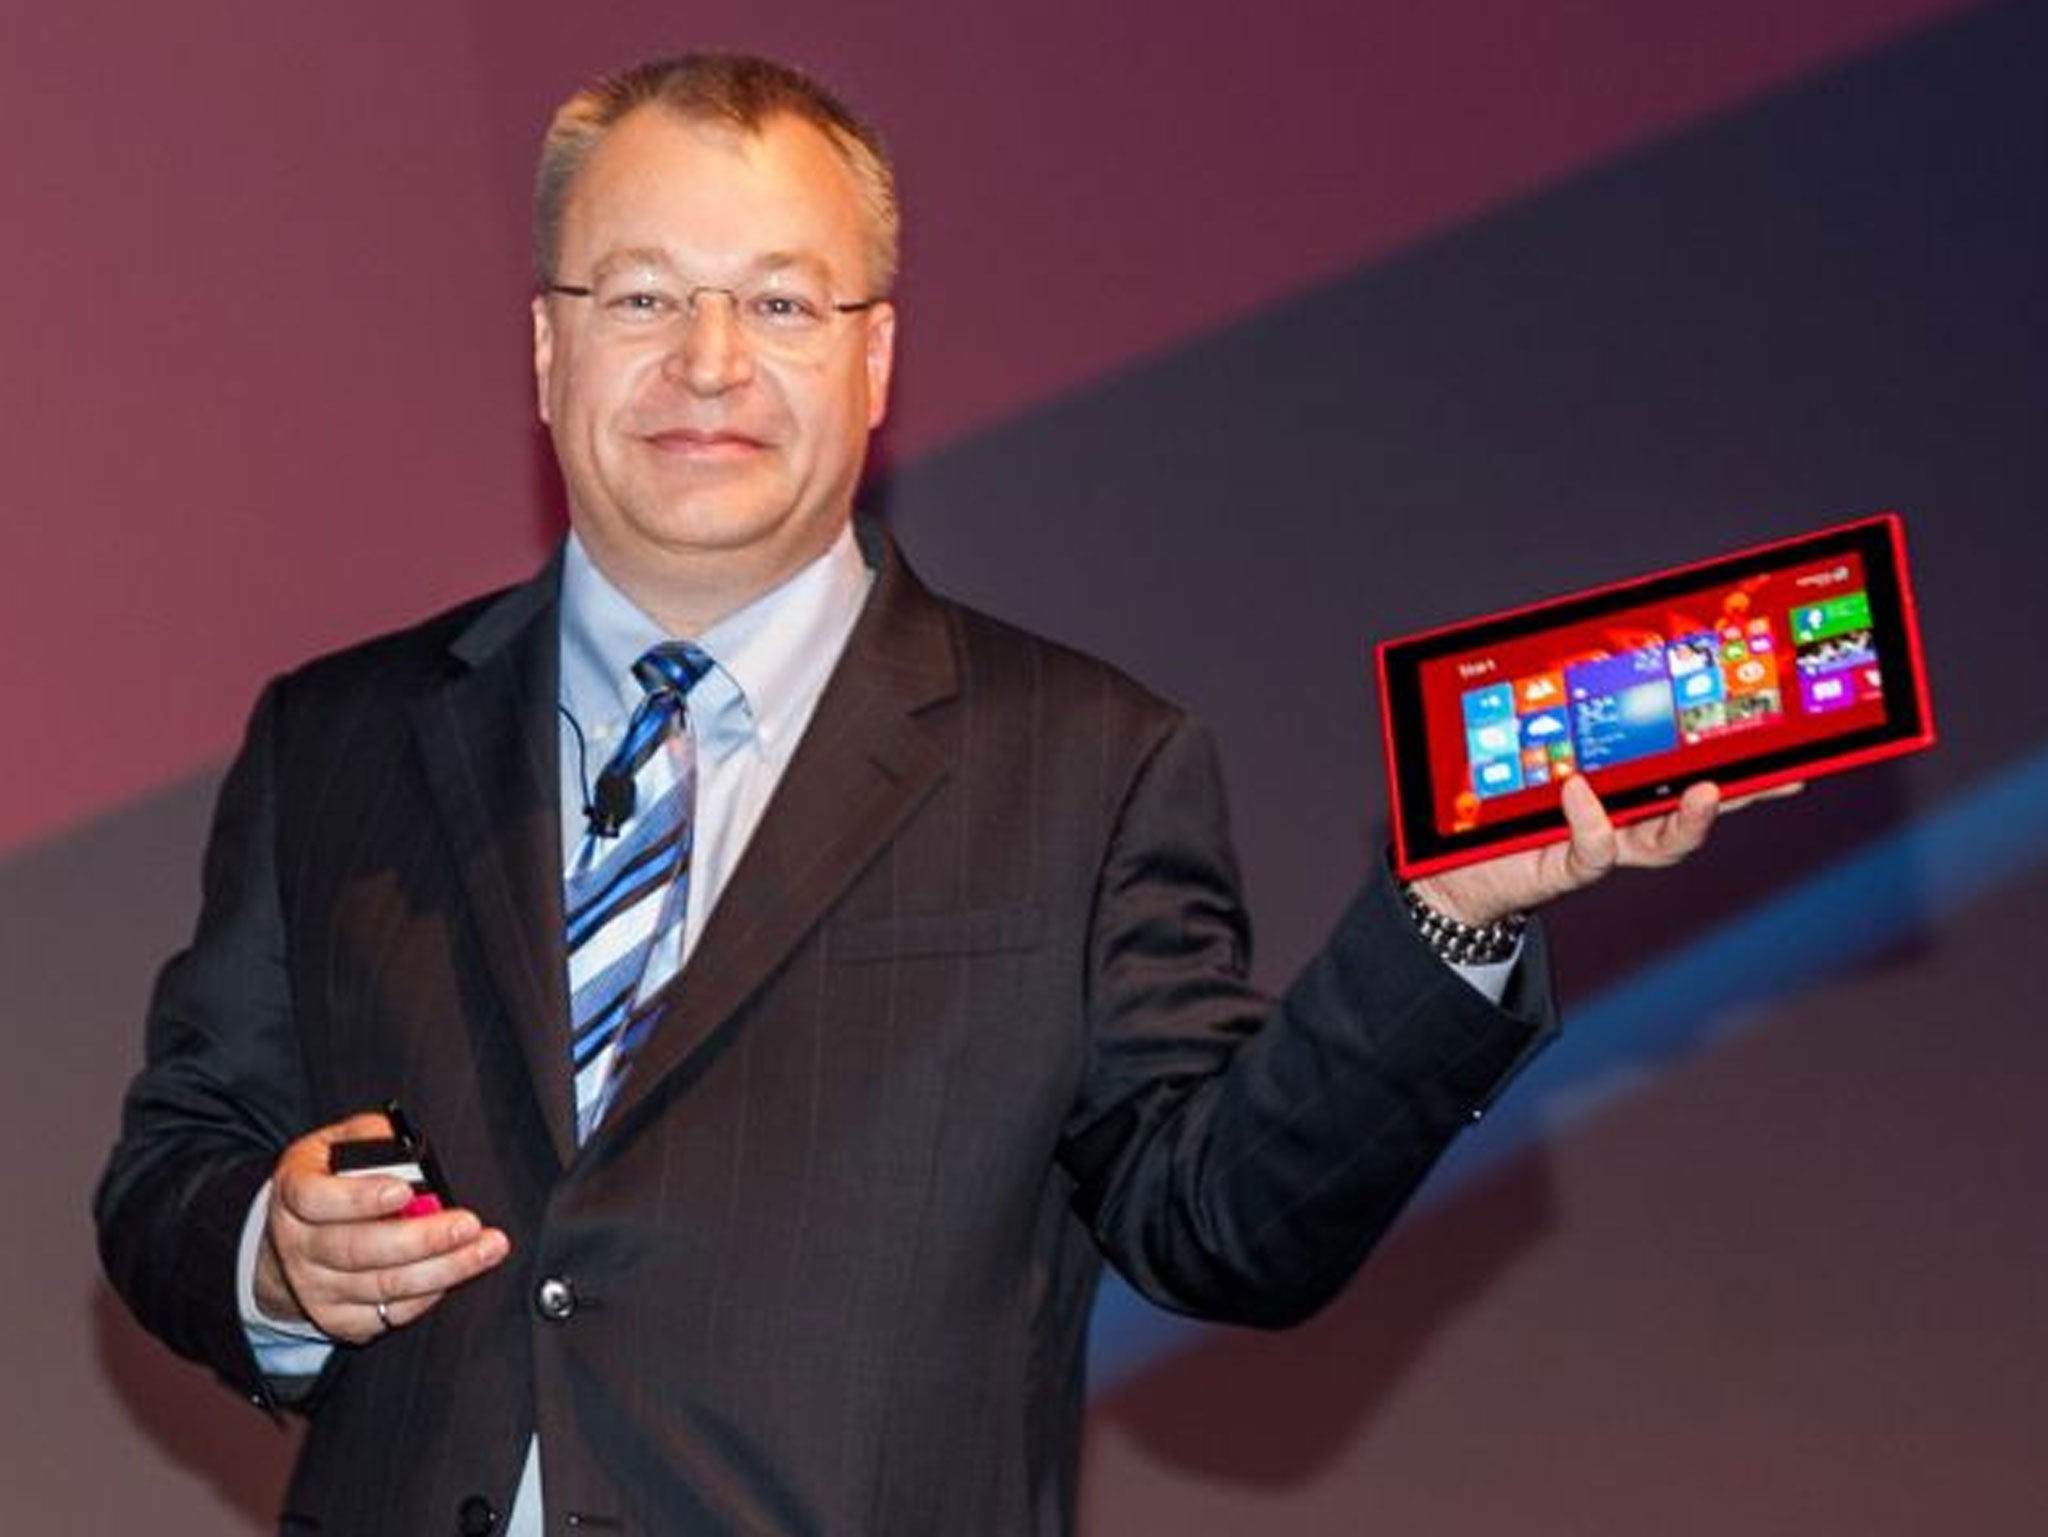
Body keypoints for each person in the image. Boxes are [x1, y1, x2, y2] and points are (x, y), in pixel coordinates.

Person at [96, 51, 1727, 1537]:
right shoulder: (342, 735)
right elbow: (178, 1157)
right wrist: (273, 1254)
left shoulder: (1084, 761)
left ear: (878, 360)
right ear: (547, 345)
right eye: (644, 297)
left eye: (784, 307)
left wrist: (1449, 913)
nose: (709, 363)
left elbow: (1223, 1220)